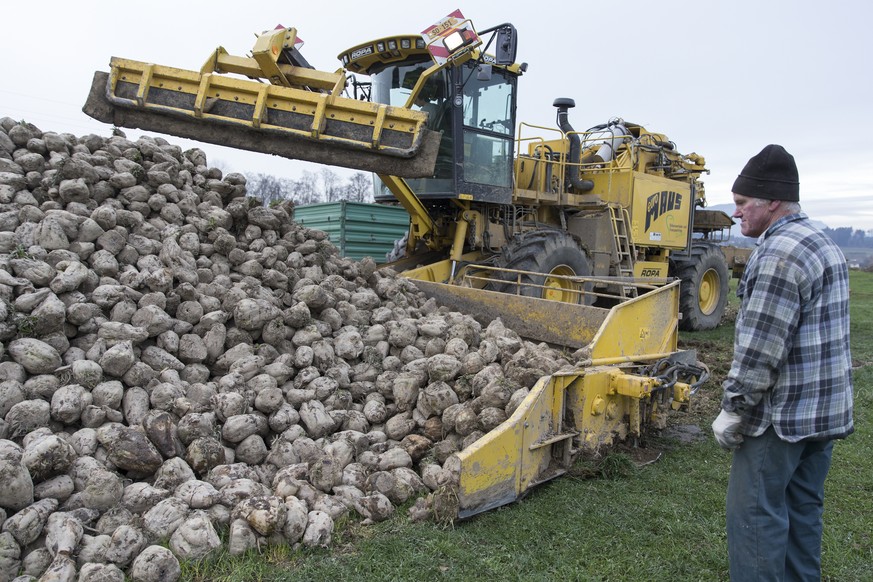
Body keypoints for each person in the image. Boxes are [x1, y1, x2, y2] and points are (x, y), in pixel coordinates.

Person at [711, 144, 854, 581]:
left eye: (740, 204)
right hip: (823, 414)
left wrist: (734, 407)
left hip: (782, 419)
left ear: (771, 201)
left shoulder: (777, 255)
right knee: (801, 511)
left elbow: (760, 348)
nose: (736, 215)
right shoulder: (820, 242)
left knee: (755, 518)